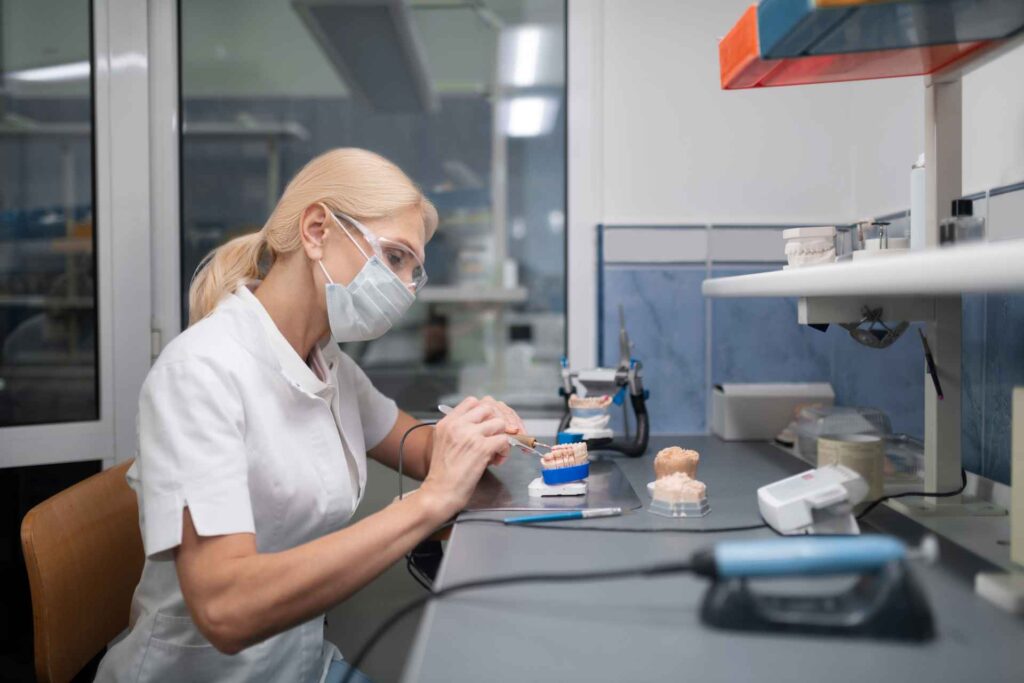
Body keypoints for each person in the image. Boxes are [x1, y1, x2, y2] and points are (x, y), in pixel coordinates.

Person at [96, 148, 525, 682]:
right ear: (317, 229)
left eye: (414, 271)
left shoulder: (327, 362)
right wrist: (430, 502)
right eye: (393, 258)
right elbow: (225, 610)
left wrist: (474, 433)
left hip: (301, 667)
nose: (404, 289)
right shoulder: (201, 373)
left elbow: (417, 445)